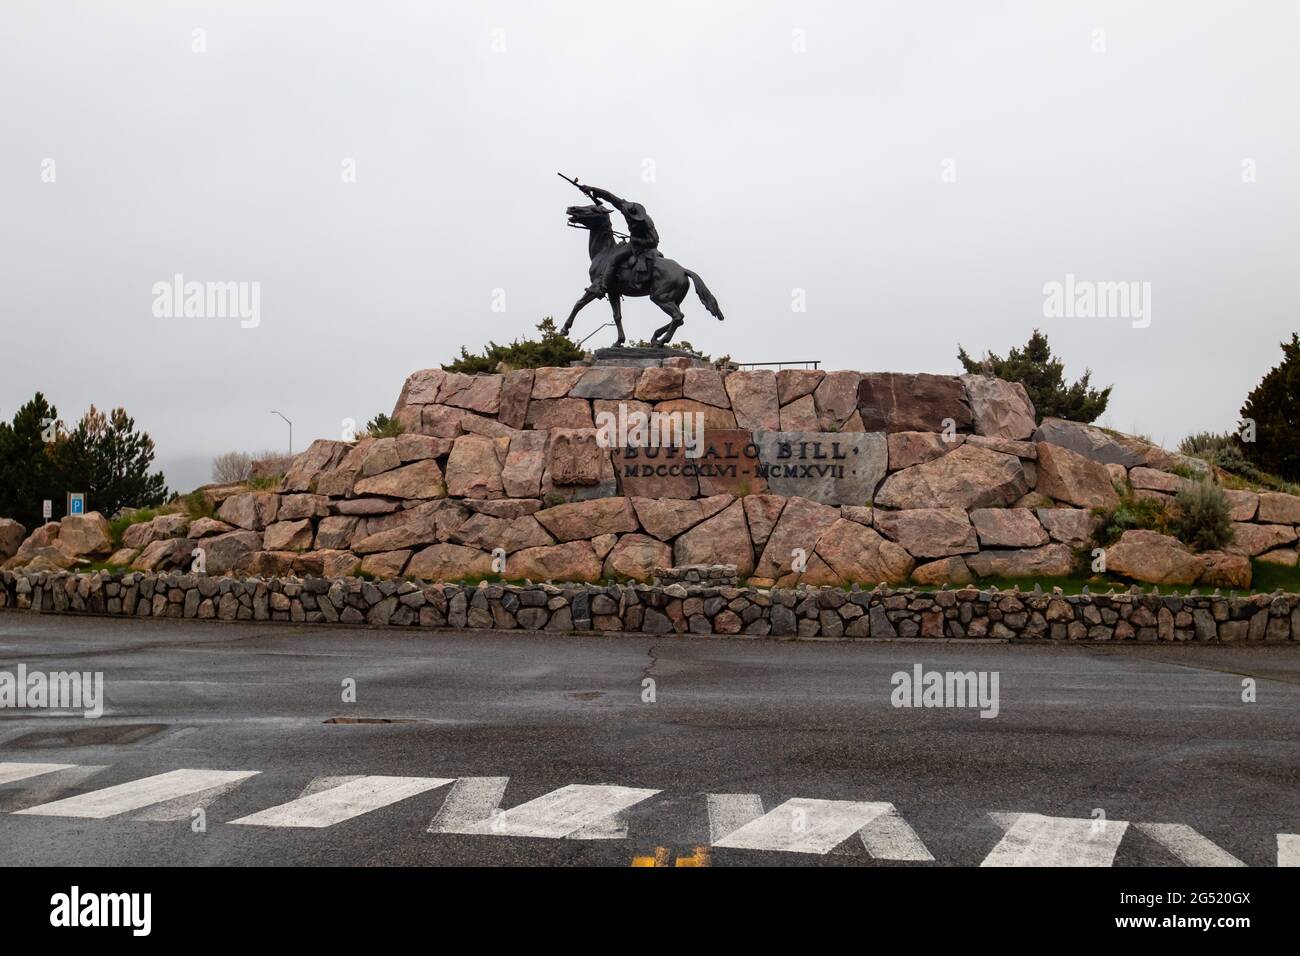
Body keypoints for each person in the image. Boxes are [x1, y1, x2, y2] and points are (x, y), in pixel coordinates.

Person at [580, 184, 661, 296]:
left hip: (643, 246)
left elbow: (654, 241)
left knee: (614, 259)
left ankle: (602, 287)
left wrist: (637, 241)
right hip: (633, 242)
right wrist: (592, 189)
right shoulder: (626, 207)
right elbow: (610, 197)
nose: (631, 221)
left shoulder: (647, 223)